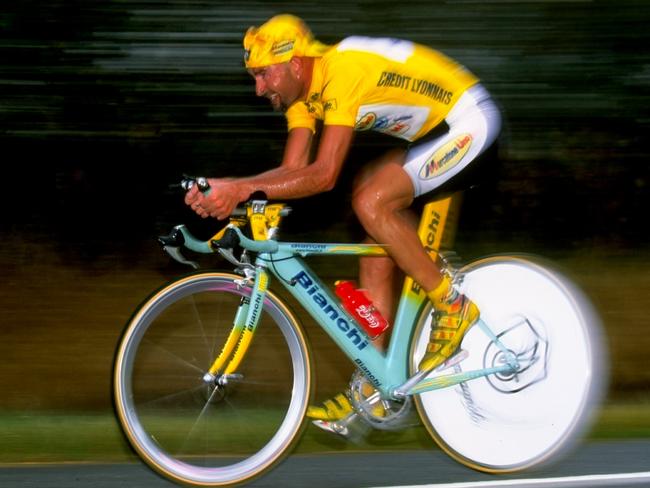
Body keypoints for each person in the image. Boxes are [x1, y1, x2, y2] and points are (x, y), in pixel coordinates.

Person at [185, 14, 501, 424]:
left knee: (371, 201)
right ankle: (377, 383)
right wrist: (229, 186)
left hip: (470, 122)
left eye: (263, 75)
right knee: (374, 240)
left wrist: (241, 190)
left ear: (295, 64)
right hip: (434, 133)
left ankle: (453, 305)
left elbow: (322, 176)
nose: (258, 88)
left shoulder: (341, 70)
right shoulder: (302, 96)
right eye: (254, 77)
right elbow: (292, 170)